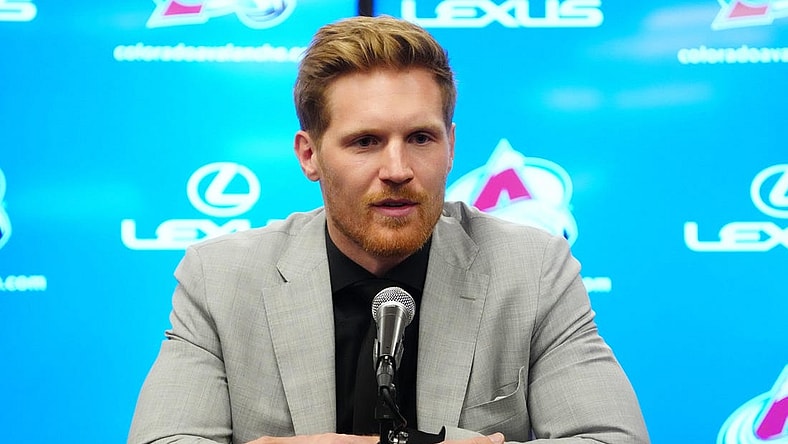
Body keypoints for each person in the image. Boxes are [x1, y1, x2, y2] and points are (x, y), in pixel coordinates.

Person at [128, 15, 650, 444]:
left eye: (420, 138)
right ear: (309, 155)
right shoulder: (220, 278)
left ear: (450, 146)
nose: (398, 169)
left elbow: (611, 438)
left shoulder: (534, 270)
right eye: (365, 142)